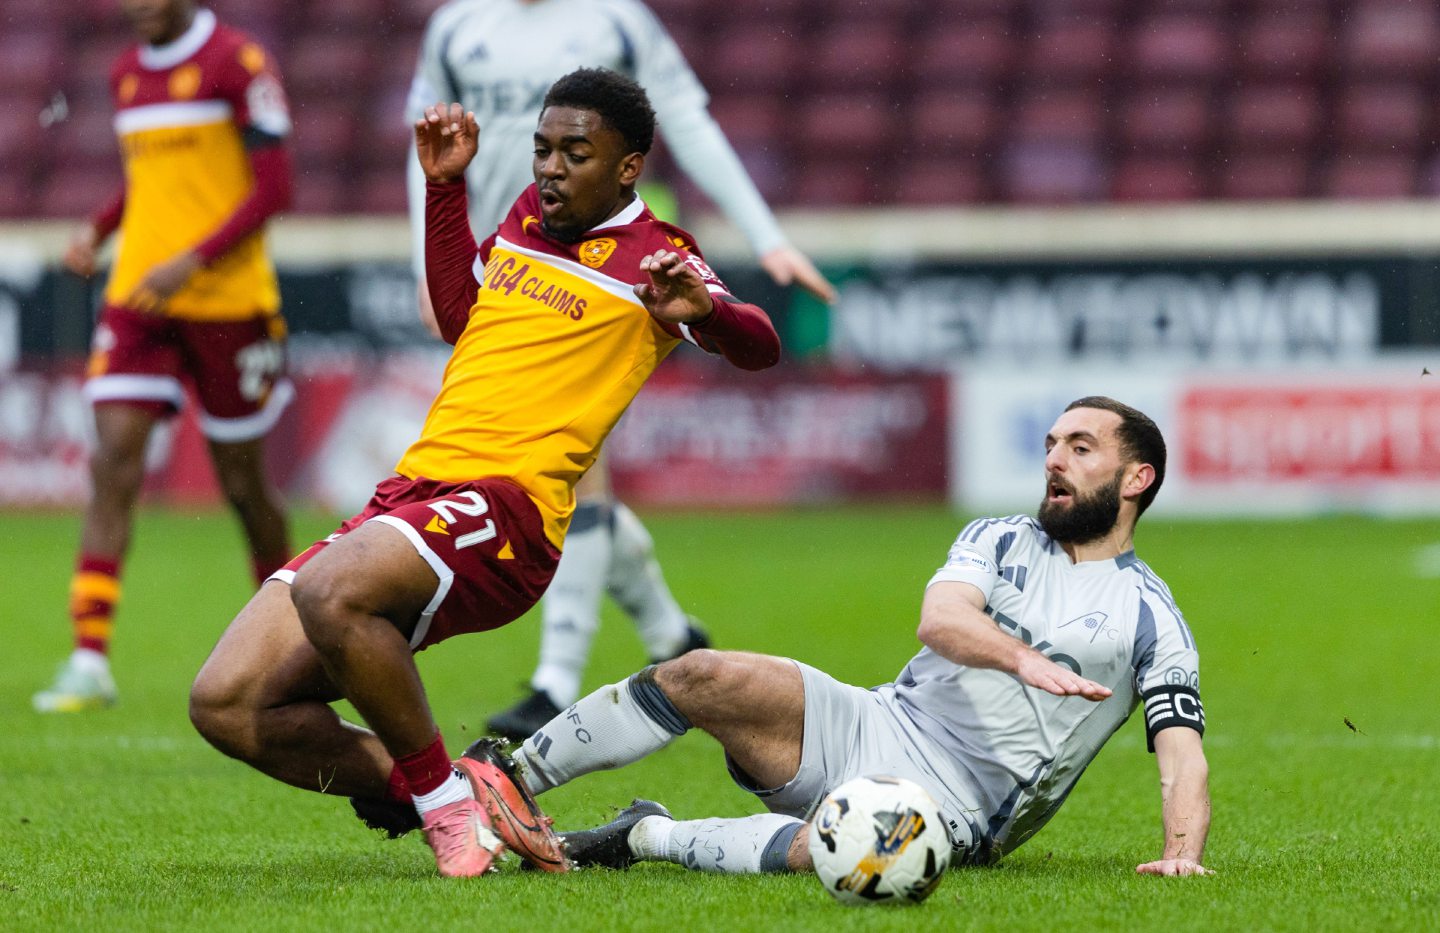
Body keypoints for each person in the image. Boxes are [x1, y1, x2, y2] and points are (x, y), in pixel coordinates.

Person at [188, 68, 782, 879]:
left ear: (628, 166)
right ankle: (465, 789)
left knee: (332, 591)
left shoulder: (660, 258)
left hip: (509, 510)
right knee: (227, 703)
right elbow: (461, 315)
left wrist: (708, 311)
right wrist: (444, 190)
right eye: (542, 149)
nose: (551, 168)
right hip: (413, 492)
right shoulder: (525, 221)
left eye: (576, 152)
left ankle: (443, 811)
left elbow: (761, 344)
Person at [500, 397, 1214, 878]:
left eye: (1081, 448)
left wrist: (1181, 854)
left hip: (960, 804)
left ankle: (644, 834)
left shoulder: (1151, 617)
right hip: (876, 718)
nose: (1055, 458)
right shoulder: (1001, 537)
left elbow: (1182, 757)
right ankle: (506, 781)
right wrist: (1022, 657)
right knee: (700, 673)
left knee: (850, 848)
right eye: (1052, 443)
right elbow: (941, 620)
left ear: (1135, 478)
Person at [406, 0, 837, 740]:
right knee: (574, 472)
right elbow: (418, 139)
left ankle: (554, 679)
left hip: (619, 265)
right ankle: (669, 632)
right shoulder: (457, 26)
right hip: (513, 249)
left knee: (569, 465)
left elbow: (688, 118)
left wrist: (764, 238)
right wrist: (430, 244)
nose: (551, 156)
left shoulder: (616, 19)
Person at [34, 0, 295, 713]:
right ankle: (88, 657)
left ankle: (294, 645)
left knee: (244, 490)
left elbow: (275, 187)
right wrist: (100, 228)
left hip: (228, 304)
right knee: (112, 460)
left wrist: (195, 260)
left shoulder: (237, 63)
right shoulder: (125, 72)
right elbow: (148, 182)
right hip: (139, 297)